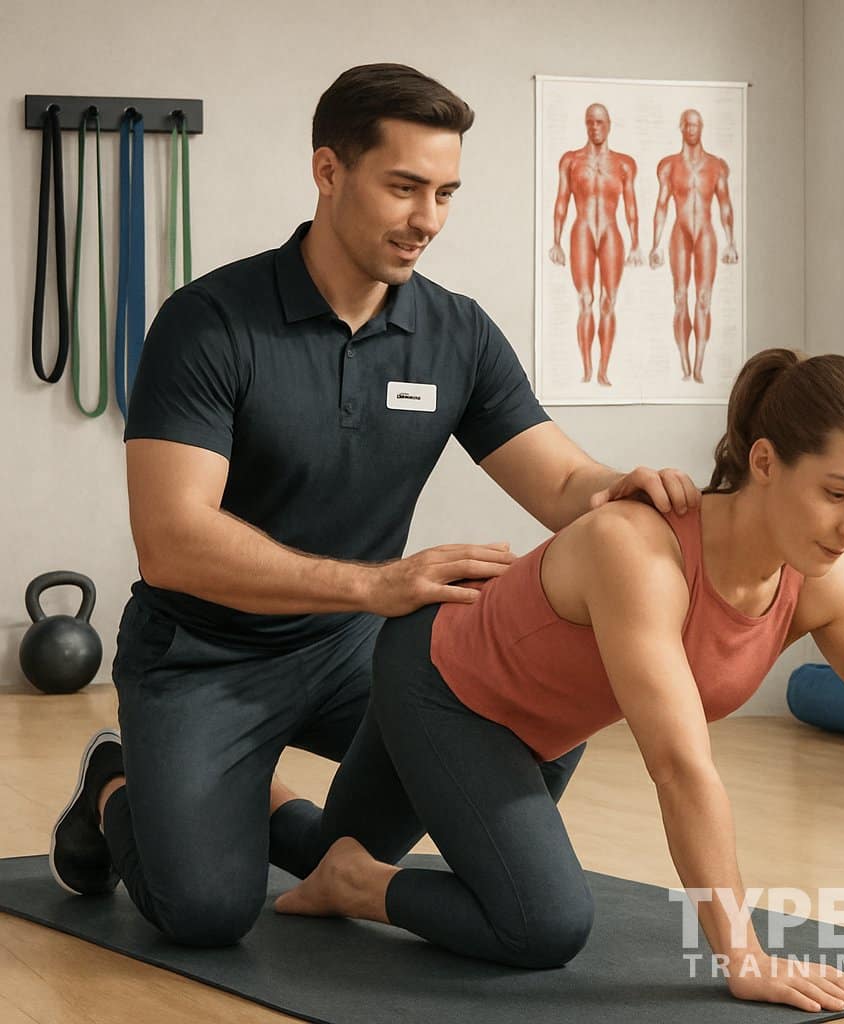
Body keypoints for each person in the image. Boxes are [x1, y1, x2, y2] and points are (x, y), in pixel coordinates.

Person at [48, 63, 703, 947]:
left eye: (445, 193)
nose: (428, 219)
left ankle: (275, 816)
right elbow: (173, 540)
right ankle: (115, 781)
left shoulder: (456, 333)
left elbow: (560, 483)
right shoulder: (209, 322)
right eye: (404, 187)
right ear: (329, 171)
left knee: (513, 712)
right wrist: (374, 585)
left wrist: (620, 490)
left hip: (357, 652)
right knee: (204, 911)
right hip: (204, 655)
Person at [274, 348, 844, 1013]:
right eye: (838, 493)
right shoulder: (641, 550)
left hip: (543, 728)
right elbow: (679, 767)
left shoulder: (820, 576)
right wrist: (744, 956)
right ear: (765, 462)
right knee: (541, 923)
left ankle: (266, 801)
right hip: (442, 683)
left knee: (330, 849)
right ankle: (357, 883)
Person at [549, 104, 643, 386]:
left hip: (611, 231)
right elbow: (562, 201)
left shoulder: (624, 163)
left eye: (600, 122)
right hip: (582, 229)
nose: (595, 127)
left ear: (609, 124)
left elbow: (631, 205)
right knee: (585, 300)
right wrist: (556, 241)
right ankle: (587, 368)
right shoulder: (571, 160)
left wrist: (636, 243)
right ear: (585, 124)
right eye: (590, 122)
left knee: (608, 301)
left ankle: (603, 369)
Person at [650, 109, 738, 384]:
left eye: (695, 125)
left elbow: (725, 204)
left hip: (706, 233)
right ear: (681, 127)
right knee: (680, 298)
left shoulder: (716, 166)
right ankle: (685, 365)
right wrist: (655, 244)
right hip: (680, 231)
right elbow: (661, 205)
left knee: (703, 299)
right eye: (687, 125)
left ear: (701, 128)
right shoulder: (669, 166)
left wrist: (731, 242)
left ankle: (699, 365)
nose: (691, 129)